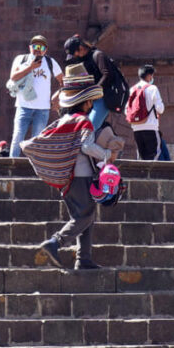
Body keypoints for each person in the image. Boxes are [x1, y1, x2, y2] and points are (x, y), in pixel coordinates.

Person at [37, 64, 114, 270]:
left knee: (83, 216)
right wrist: (107, 154)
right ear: (86, 101)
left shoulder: (64, 121)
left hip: (67, 179)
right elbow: (87, 146)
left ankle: (84, 258)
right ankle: (55, 242)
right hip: (82, 176)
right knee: (86, 216)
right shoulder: (84, 122)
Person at [9, 35, 63, 158]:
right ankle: (11, 167)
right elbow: (13, 77)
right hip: (23, 106)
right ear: (30, 47)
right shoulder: (21, 59)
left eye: (41, 47)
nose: (37, 49)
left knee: (37, 141)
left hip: (42, 108)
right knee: (17, 136)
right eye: (35, 46)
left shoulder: (50, 62)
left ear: (45, 49)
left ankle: (34, 168)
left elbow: (62, 80)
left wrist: (57, 95)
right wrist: (30, 67)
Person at [65, 34, 117, 133]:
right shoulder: (84, 59)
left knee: (89, 129)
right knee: (87, 129)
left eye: (75, 53)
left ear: (80, 48)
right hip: (90, 99)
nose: (75, 56)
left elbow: (107, 74)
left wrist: (95, 92)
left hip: (103, 98)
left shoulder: (98, 55)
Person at [128, 64, 165, 161]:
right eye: (152, 75)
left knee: (141, 157)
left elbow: (126, 110)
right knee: (153, 156)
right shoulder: (153, 88)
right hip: (150, 127)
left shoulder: (132, 89)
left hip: (136, 128)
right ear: (149, 76)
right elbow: (160, 109)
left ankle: (141, 175)